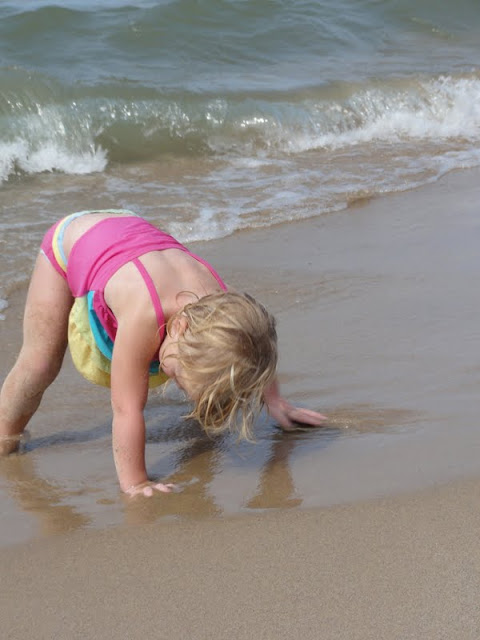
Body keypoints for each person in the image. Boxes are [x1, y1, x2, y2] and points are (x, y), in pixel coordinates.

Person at [0, 210, 326, 496]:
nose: (177, 384)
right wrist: (135, 482)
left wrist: (275, 401)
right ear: (180, 327)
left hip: (127, 233)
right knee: (40, 362)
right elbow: (126, 409)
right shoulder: (143, 314)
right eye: (179, 376)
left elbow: (252, 345)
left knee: (227, 355)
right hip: (71, 241)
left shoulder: (223, 309)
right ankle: (4, 434)